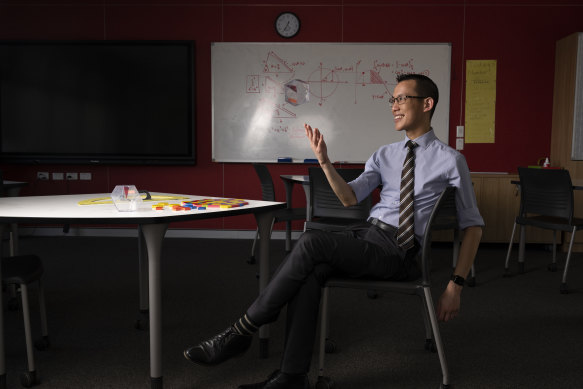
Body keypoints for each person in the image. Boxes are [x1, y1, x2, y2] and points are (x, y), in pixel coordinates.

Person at [183, 74, 484, 389]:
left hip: (401, 252)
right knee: (311, 271)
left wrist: (455, 286)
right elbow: (348, 197)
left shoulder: (451, 161)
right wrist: (325, 162)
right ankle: (292, 377)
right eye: (392, 100)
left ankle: (240, 331)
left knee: (311, 242)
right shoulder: (384, 155)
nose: (394, 106)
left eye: (401, 99)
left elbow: (473, 226)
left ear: (427, 104)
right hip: (367, 236)